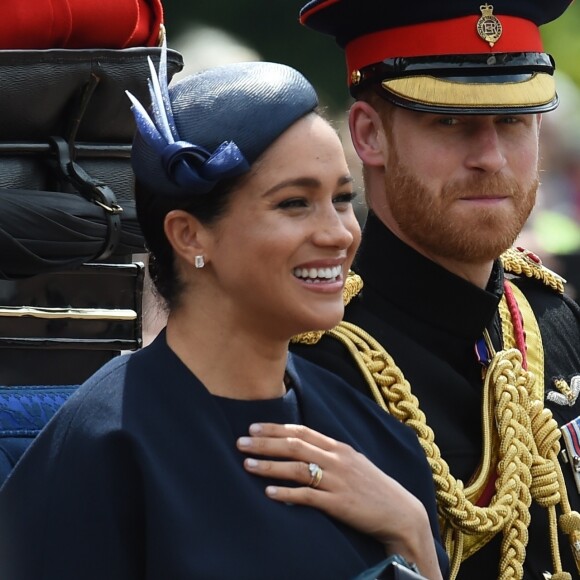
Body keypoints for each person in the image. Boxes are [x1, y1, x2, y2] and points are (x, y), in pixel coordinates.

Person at [0, 48, 449, 580]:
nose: (339, 233)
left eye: (342, 199)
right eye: (294, 203)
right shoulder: (105, 448)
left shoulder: (376, 440)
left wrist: (414, 534)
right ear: (190, 235)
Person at [290, 1, 580, 578]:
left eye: (513, 121)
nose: (490, 158)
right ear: (369, 134)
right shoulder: (311, 364)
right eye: (450, 122)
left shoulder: (552, 318)